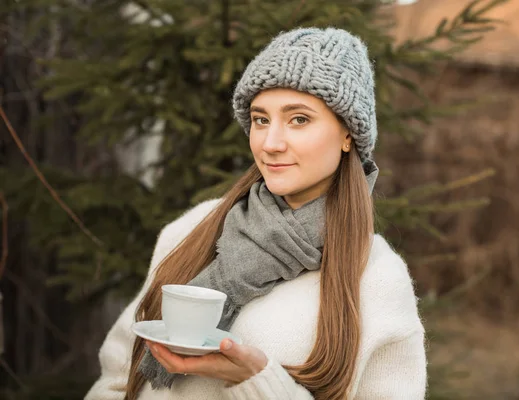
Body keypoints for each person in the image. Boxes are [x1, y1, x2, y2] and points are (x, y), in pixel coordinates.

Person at [85, 27, 427, 400]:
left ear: (349, 135)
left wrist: (255, 380)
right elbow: (118, 378)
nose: (271, 143)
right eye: (261, 119)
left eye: (299, 119)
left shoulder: (376, 278)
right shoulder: (195, 228)